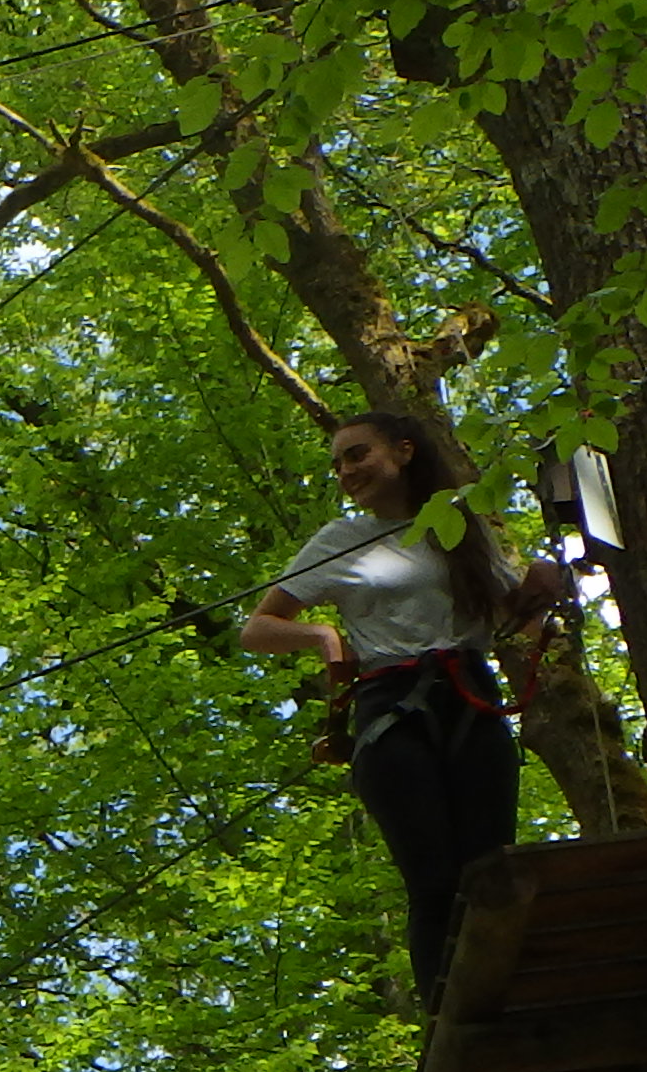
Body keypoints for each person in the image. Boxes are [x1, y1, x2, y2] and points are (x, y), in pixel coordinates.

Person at [241, 410, 564, 1001]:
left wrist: (543, 589)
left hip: (470, 695)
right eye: (338, 463)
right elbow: (257, 628)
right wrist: (323, 636)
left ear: (405, 451)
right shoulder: (340, 541)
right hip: (391, 706)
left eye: (357, 454)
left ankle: (509, 1000)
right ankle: (446, 1015)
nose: (346, 471)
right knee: (434, 880)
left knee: (490, 870)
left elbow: (515, 619)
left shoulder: (458, 527)